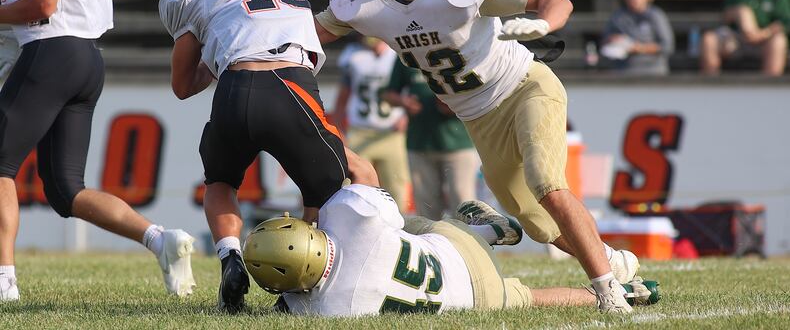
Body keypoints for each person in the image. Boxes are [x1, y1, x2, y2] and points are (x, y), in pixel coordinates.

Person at [313, 0, 639, 312]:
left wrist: (541, 23)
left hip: (524, 86)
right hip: (478, 117)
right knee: (536, 222)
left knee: (546, 182)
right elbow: (309, 35)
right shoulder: (361, 0)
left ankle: (607, 288)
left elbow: (554, 1)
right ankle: (607, 256)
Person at [159, 0, 373, 313]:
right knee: (329, 188)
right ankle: (302, 283)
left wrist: (214, 49)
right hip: (292, 84)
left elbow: (183, 86)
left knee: (220, 181)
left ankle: (230, 258)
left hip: (235, 86)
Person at [0, 0, 195, 302]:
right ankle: (160, 239)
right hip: (84, 56)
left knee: (0, 165)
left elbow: (44, 2)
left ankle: (4, 283)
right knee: (65, 191)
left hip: (52, 49)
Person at [242, 184, 661, 316]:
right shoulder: (353, 215)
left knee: (529, 298)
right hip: (455, 250)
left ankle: (625, 294)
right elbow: (377, 202)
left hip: (473, 301)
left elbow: (290, 302)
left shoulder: (327, 309)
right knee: (414, 226)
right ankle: (494, 230)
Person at [384, 60, 478, 220]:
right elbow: (388, 93)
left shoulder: (457, 49)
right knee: (426, 206)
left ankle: (468, 242)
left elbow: (480, 91)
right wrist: (403, 102)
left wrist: (454, 104)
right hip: (420, 142)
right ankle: (429, 243)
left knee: (463, 201)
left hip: (458, 142)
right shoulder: (406, 53)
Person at [332, 36, 411, 211]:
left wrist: (405, 116)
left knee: (397, 187)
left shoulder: (397, 55)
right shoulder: (353, 56)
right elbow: (341, 100)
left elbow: (411, 90)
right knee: (358, 188)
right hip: (360, 131)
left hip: (391, 132)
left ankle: (400, 228)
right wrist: (339, 132)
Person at [700, 0, 790, 76]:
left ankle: (768, 86)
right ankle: (710, 85)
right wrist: (740, 13)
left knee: (779, 42)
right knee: (709, 39)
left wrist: (762, 34)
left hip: (765, 42)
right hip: (738, 40)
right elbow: (725, 18)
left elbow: (785, 23)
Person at [600, 0, 675, 75]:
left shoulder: (656, 16)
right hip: (623, 72)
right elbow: (604, 43)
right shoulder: (617, 17)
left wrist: (639, 48)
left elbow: (667, 46)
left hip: (652, 73)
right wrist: (613, 40)